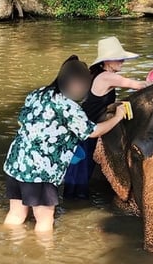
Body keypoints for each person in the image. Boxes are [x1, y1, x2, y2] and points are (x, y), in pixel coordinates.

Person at [3, 56, 127, 234]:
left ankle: (8, 250)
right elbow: (93, 131)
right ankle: (46, 258)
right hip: (40, 172)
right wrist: (118, 117)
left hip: (15, 163)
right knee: (45, 220)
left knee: (16, 215)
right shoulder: (68, 107)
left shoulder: (38, 93)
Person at [63, 36, 148, 199]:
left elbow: (98, 102)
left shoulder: (97, 75)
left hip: (82, 129)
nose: (122, 61)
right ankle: (75, 206)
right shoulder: (107, 77)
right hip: (86, 132)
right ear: (107, 61)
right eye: (119, 58)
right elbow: (140, 85)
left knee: (77, 171)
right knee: (80, 174)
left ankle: (70, 205)